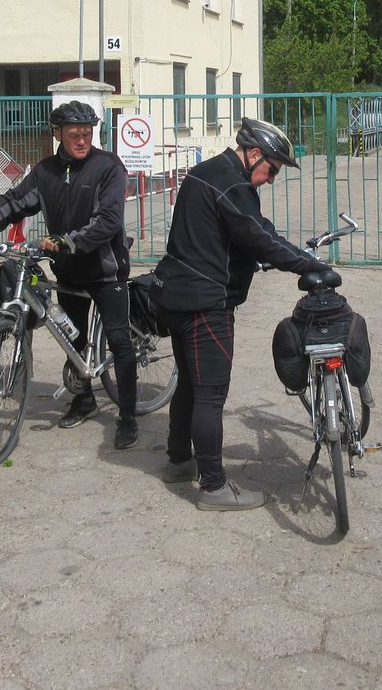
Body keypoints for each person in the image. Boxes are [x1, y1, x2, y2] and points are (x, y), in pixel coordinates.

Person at [150, 117, 335, 511]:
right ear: (253, 154)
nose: (271, 179)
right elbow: (259, 238)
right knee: (210, 395)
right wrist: (309, 265)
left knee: (189, 385)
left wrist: (277, 253)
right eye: (272, 169)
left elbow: (242, 230)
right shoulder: (234, 184)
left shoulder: (203, 172)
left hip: (175, 295)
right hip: (206, 303)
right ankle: (214, 487)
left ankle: (178, 462)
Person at [0, 100, 140, 450]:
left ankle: (128, 417)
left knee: (119, 342)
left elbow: (108, 220)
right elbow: (14, 202)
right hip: (68, 270)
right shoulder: (46, 172)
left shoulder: (108, 166)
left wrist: (69, 241)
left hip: (105, 270)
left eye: (87, 134)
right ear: (58, 134)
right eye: (74, 135)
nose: (82, 141)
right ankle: (84, 399)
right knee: (73, 339)